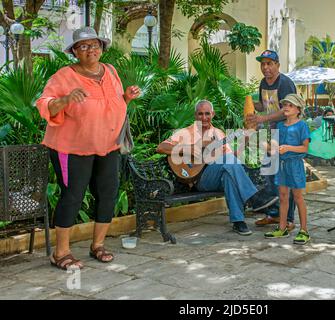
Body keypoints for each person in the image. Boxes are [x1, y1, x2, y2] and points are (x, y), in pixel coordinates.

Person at [36, 27, 141, 270]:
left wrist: (126, 97)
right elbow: (44, 105)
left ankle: (98, 245)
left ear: (101, 48)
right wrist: (65, 99)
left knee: (108, 193)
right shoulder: (64, 76)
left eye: (94, 45)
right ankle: (61, 253)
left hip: (107, 146)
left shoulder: (111, 71)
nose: (90, 50)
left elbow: (112, 104)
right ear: (74, 51)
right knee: (72, 196)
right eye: (83, 46)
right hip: (70, 147)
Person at [156, 100, 278, 236]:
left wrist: (245, 140)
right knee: (229, 164)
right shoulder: (186, 132)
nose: (204, 118)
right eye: (200, 114)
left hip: (219, 177)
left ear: (212, 114)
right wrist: (188, 148)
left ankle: (239, 222)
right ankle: (255, 198)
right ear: (195, 115)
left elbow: (233, 159)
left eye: (207, 114)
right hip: (198, 178)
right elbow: (161, 147)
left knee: (229, 174)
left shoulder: (218, 134)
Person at [245, 50, 297, 231]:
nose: (265, 67)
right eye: (263, 64)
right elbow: (264, 105)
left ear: (277, 65)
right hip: (270, 134)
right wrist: (249, 104)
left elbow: (287, 110)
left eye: (269, 63)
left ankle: (289, 219)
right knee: (269, 173)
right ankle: (273, 215)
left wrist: (262, 119)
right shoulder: (262, 83)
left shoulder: (285, 83)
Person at [263, 94, 311, 244]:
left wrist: (288, 148)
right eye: (284, 105)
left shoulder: (301, 125)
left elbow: (305, 148)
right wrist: (263, 143)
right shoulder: (280, 126)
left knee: (297, 197)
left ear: (298, 109)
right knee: (283, 196)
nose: (286, 108)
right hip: (282, 165)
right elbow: (274, 148)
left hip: (295, 165)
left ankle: (304, 231)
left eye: (290, 105)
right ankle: (282, 228)